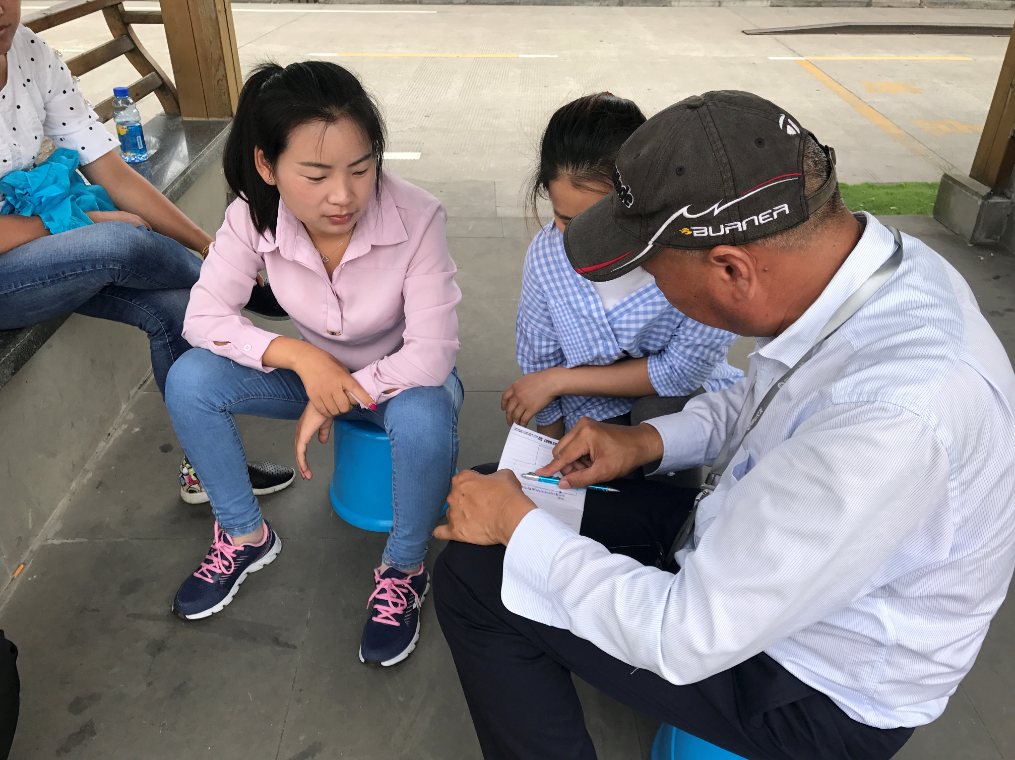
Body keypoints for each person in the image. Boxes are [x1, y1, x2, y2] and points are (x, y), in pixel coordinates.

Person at [433, 91, 1015, 760]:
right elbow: (764, 397)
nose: (647, 286)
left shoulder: (891, 421)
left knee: (480, 574)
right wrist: (645, 440)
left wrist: (517, 527)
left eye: (650, 271)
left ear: (732, 268)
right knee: (504, 488)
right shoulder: (870, 273)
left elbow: (682, 635)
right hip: (747, 545)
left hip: (814, 683)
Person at [163, 61, 463, 669]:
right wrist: (301, 358)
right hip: (310, 379)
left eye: (362, 168)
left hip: (398, 385)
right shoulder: (252, 215)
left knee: (427, 416)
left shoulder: (417, 216)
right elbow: (202, 317)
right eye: (316, 175)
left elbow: (431, 354)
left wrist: (343, 390)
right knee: (190, 379)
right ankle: (246, 535)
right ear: (267, 166)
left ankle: (404, 568)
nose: (344, 195)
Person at [0, 0, 295, 506]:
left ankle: (209, 472)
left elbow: (112, 172)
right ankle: (237, 284)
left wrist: (208, 243)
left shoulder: (28, 50)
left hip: (41, 248)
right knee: (119, 242)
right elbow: (108, 229)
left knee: (180, 310)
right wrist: (84, 222)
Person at [504, 93, 741, 447]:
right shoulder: (546, 257)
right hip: (589, 410)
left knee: (661, 419)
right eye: (567, 220)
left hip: (678, 401)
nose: (586, 240)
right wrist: (546, 458)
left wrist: (558, 381)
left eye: (604, 220)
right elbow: (540, 360)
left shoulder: (693, 251)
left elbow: (683, 371)